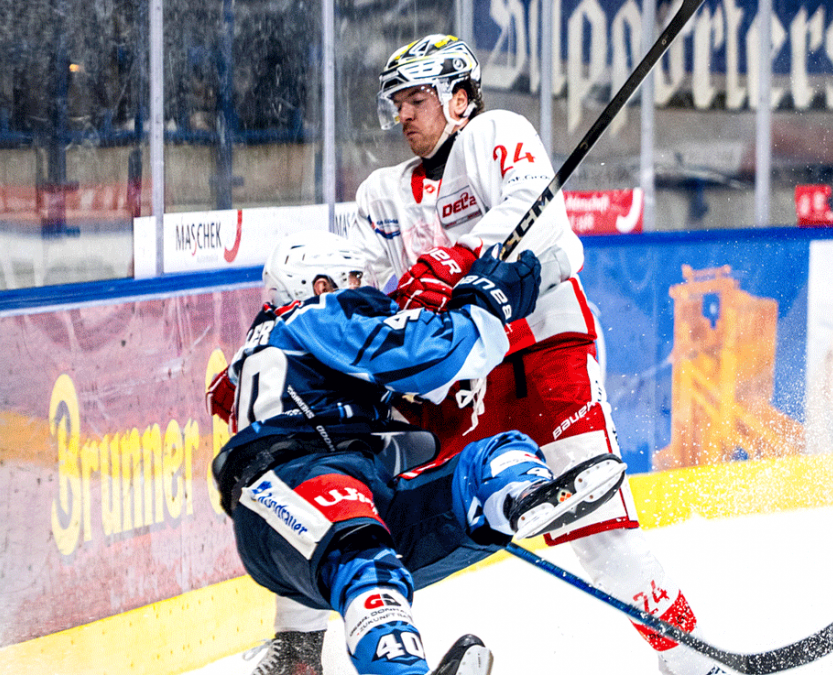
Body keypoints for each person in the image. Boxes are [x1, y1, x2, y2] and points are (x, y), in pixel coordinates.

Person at [251, 34, 728, 675]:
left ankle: (692, 665)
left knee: (598, 532)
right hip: (448, 381)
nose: (403, 115)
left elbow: (545, 225)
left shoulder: (494, 134)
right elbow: (349, 285)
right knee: (335, 478)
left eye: (418, 98)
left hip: (541, 356)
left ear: (460, 99)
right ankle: (298, 649)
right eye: (398, 102)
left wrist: (456, 262)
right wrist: (289, 311)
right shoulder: (379, 196)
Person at [209, 230, 627, 675]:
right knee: (363, 555)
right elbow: (429, 353)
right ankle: (380, 666)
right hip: (290, 488)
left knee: (492, 459)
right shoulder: (315, 316)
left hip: (347, 496)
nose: (364, 289)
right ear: (319, 286)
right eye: (352, 278)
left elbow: (412, 405)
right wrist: (483, 305)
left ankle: (518, 499)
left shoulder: (281, 350)